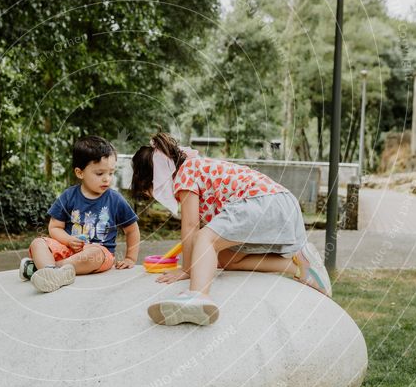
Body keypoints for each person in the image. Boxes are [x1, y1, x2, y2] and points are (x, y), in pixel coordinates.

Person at [131, 133, 330, 326]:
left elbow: (191, 226)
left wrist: (187, 269)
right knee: (227, 259)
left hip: (262, 202)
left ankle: (198, 296)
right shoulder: (195, 166)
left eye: (151, 189)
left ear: (156, 177)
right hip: (281, 204)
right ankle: (299, 266)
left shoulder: (184, 173)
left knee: (204, 238)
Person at [20, 135, 140, 292]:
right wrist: (68, 240)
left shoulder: (115, 199)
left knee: (94, 252)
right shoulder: (69, 196)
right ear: (80, 172)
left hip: (99, 255)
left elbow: (132, 229)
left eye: (111, 173)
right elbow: (55, 227)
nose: (107, 179)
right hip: (68, 250)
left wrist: (130, 258)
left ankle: (48, 271)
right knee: (39, 243)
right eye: (99, 174)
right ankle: (51, 272)